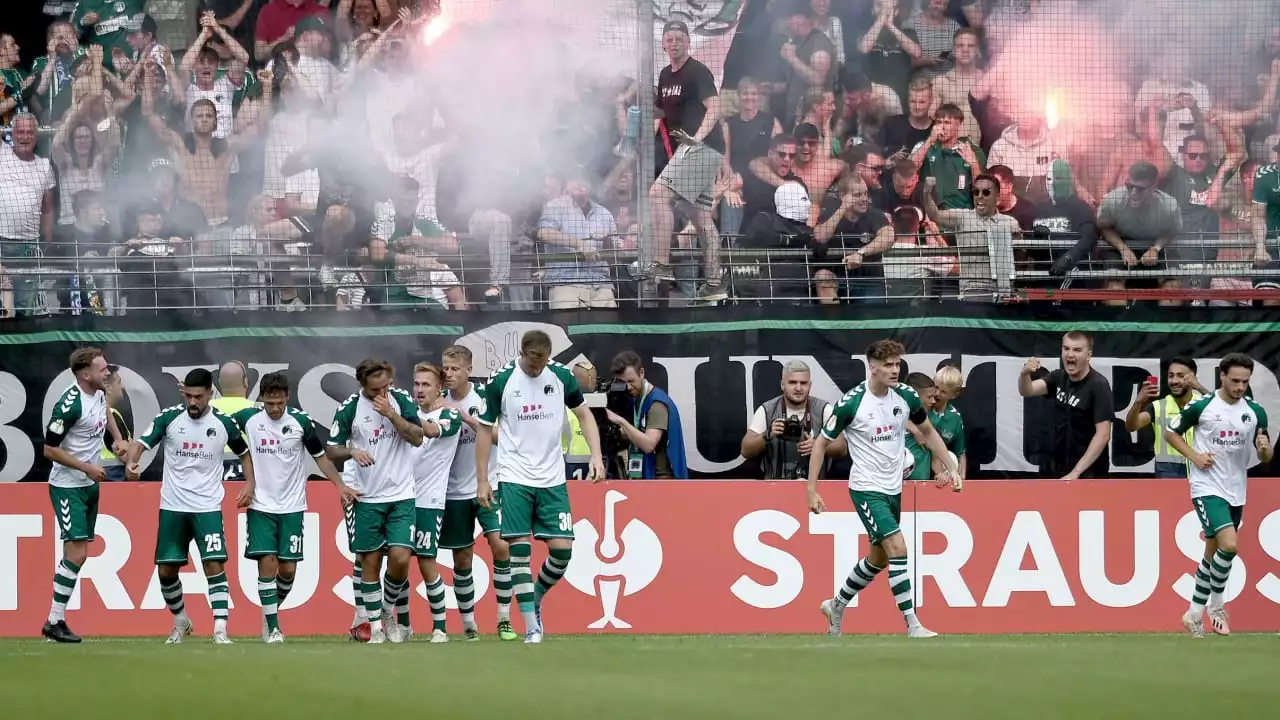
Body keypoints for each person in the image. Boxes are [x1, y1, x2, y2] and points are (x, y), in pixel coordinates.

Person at [808, 339, 960, 638]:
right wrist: (811, 490)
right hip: (866, 488)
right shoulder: (851, 403)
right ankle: (913, 625)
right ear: (872, 367)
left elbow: (927, 431)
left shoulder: (905, 396)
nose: (895, 370)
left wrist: (951, 467)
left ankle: (836, 605)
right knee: (898, 548)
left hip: (894, 488)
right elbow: (821, 443)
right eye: (888, 365)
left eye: (897, 364)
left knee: (878, 559)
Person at [475, 330, 605, 643]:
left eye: (543, 361)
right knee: (518, 550)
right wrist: (482, 480)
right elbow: (483, 430)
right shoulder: (500, 381)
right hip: (515, 476)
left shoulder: (561, 376)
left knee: (562, 553)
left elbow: (585, 416)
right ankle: (532, 626)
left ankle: (535, 597)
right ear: (523, 353)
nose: (537, 367)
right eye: (533, 361)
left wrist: (596, 456)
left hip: (552, 477)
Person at [124, 368, 254, 645]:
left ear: (210, 393)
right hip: (172, 506)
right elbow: (141, 444)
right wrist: (132, 463)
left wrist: (250, 484)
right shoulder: (169, 418)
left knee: (214, 564)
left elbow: (244, 454)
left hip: (207, 506)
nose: (192, 402)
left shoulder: (224, 423)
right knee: (166, 571)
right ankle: (180, 619)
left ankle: (220, 628)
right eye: (188, 396)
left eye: (198, 397)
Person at [231, 372, 357, 643]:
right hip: (261, 505)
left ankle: (269, 614)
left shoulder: (300, 422)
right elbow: (219, 428)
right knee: (267, 562)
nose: (274, 409)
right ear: (261, 399)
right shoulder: (248, 419)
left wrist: (340, 485)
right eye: (269, 403)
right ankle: (273, 628)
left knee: (288, 570)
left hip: (292, 506)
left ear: (287, 397)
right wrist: (248, 479)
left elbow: (321, 458)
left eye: (279, 403)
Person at [1166, 354, 1272, 638]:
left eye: (1245, 382)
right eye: (1235, 380)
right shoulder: (1202, 407)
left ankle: (1192, 614)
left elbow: (1266, 453)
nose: (1240, 387)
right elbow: (1171, 432)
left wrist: (1263, 449)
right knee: (1230, 545)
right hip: (1206, 486)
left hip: (1236, 490)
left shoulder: (1255, 412)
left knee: (1211, 555)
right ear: (1222, 376)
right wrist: (1195, 457)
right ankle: (1217, 606)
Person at [324, 358, 425, 644]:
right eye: (375, 390)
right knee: (369, 562)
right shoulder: (349, 409)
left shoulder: (401, 401)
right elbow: (331, 451)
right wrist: (352, 452)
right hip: (367, 497)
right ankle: (376, 628)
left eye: (386, 386)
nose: (381, 393)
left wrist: (392, 415)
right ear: (363, 385)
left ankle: (384, 612)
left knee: (401, 557)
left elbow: (417, 438)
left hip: (401, 495)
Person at [41, 348, 127, 643]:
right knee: (77, 553)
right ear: (85, 374)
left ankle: (56, 621)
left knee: (78, 553)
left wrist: (117, 440)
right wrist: (87, 467)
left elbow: (104, 416)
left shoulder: (99, 394)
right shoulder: (69, 404)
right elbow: (49, 449)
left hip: (88, 484)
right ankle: (54, 620)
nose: (108, 374)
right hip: (68, 486)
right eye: (102, 369)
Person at [643, 20, 727, 302]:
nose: (674, 42)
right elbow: (659, 114)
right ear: (664, 44)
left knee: (657, 195)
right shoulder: (666, 75)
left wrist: (697, 139)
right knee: (700, 217)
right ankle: (715, 281)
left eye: (679, 38)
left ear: (688, 42)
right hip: (689, 151)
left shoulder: (698, 71)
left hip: (701, 148)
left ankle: (662, 264)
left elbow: (715, 107)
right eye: (669, 38)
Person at [439, 345, 517, 641]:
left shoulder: (484, 398)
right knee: (462, 559)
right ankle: (469, 623)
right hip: (453, 491)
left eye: (455, 368)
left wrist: (473, 422)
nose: (448, 374)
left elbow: (504, 437)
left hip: (490, 484)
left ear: (469, 370)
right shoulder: (438, 402)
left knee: (501, 546)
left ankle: (504, 618)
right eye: (445, 368)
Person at [392, 363, 460, 643]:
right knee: (399, 562)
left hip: (430, 500)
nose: (419, 390)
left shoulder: (450, 415)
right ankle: (405, 625)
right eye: (416, 384)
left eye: (426, 385)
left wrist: (399, 415)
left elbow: (431, 431)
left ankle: (440, 628)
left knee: (428, 563)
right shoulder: (409, 413)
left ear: (439, 388)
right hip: (400, 497)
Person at [1017, 331, 1114, 480]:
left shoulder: (1098, 385)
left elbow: (1103, 435)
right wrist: (1024, 374)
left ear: (1089, 355)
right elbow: (1027, 390)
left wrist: (1076, 472)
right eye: (1066, 348)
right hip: (1061, 467)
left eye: (1077, 350)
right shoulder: (1058, 377)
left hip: (1089, 473)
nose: (1070, 355)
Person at [741, 359, 843, 480]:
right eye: (793, 382)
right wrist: (767, 435)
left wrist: (818, 445)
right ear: (782, 385)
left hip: (815, 487)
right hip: (775, 488)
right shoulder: (767, 410)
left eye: (803, 383)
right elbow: (745, 451)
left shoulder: (824, 410)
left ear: (810, 385)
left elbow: (842, 449)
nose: (798, 388)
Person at [923, 174, 1020, 301]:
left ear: (997, 198)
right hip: (972, 291)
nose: (979, 196)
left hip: (1003, 291)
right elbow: (935, 215)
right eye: (976, 192)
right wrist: (926, 193)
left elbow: (1019, 258)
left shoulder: (1010, 222)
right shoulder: (963, 217)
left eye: (986, 192)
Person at [1096, 161, 1184, 301]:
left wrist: (1156, 248)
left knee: (1172, 289)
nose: (1134, 193)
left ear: (1154, 186)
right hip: (1118, 247)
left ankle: (1168, 320)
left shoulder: (1169, 206)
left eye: (1140, 189)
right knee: (1114, 288)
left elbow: (1171, 231)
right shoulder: (1113, 201)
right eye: (1130, 186)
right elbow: (1104, 228)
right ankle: (1116, 320)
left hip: (1157, 248)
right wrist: (1122, 248)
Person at [604, 351, 688, 479]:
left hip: (661, 481)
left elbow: (648, 445)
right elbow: (637, 432)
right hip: (644, 477)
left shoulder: (657, 404)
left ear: (641, 372)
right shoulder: (634, 399)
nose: (628, 387)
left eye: (631, 381)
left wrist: (620, 421)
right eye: (622, 383)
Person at [1125, 358, 1206, 479]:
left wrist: (1199, 387)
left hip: (1201, 467)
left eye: (1180, 376)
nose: (1174, 381)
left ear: (1192, 378)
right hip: (1168, 470)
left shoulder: (1203, 404)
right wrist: (1138, 402)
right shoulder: (1158, 406)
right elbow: (1131, 426)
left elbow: (1223, 414)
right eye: (1171, 376)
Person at [904, 367, 967, 482]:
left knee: (951, 458)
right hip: (893, 481)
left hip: (923, 479)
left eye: (943, 391)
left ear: (954, 394)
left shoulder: (954, 418)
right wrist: (915, 430)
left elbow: (942, 453)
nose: (936, 394)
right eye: (936, 387)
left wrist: (952, 474)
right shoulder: (907, 410)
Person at [212, 360, 255, 480]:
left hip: (212, 469)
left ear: (220, 383)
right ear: (245, 382)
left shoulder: (206, 409)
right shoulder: (259, 409)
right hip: (249, 469)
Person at [98, 365, 132, 482]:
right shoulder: (111, 414)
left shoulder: (92, 414)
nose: (122, 387)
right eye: (119, 382)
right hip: (113, 477)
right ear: (108, 387)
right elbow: (124, 454)